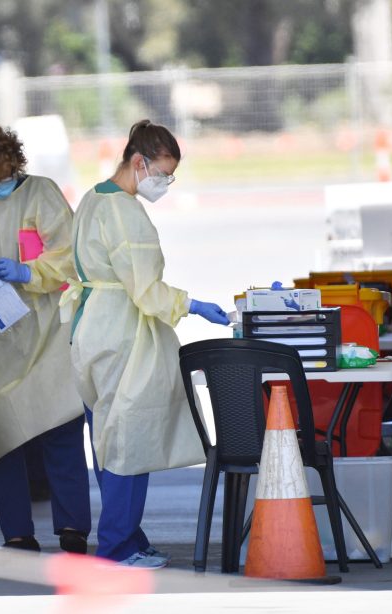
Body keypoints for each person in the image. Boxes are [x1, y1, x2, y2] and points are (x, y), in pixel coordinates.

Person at [62, 119, 228, 568]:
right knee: (127, 442)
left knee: (109, 438)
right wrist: (193, 305)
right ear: (139, 162)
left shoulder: (94, 198)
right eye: (163, 174)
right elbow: (145, 290)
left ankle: (129, 538)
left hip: (93, 329)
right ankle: (116, 548)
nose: (164, 184)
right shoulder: (125, 212)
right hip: (121, 335)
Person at [0, 125, 91, 554]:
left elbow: (69, 256)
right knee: (3, 439)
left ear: (16, 166)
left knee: (61, 429)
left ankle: (73, 528)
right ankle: (17, 534)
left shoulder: (42, 194)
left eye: (2, 178)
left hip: (47, 334)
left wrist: (28, 272)